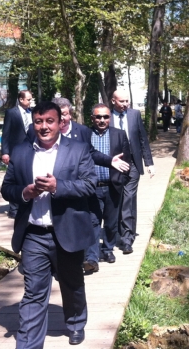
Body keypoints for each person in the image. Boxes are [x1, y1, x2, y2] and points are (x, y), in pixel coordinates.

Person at [0, 101, 96, 347]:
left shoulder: (78, 149)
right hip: (33, 234)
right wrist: (25, 193)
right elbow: (7, 188)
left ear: (60, 122)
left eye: (49, 121)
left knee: (72, 284)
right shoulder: (20, 152)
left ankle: (75, 322)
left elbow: (89, 185)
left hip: (68, 232)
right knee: (33, 293)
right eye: (38, 121)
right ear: (33, 123)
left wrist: (57, 187)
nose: (44, 127)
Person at [82, 104, 130, 270]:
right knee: (93, 221)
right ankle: (92, 256)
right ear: (92, 118)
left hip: (112, 186)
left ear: (110, 118)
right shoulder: (85, 134)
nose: (102, 120)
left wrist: (121, 180)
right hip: (92, 188)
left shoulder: (119, 134)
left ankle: (108, 249)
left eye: (105, 117)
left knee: (111, 223)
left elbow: (127, 161)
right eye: (98, 117)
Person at [110, 90, 155, 254]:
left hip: (133, 164)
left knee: (128, 200)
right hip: (114, 165)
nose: (125, 104)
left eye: (127, 101)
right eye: (121, 101)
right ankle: (115, 233)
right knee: (116, 200)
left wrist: (149, 162)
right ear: (113, 101)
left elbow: (142, 139)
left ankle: (127, 238)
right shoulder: (106, 117)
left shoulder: (134, 115)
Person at [1, 90, 33, 218]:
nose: (30, 101)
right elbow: (6, 133)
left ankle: (26, 205)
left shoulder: (32, 113)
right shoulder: (11, 113)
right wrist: (5, 152)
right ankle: (13, 209)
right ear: (21, 99)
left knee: (27, 177)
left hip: (30, 150)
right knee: (14, 179)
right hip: (15, 151)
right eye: (29, 99)